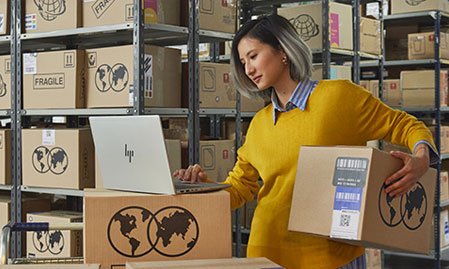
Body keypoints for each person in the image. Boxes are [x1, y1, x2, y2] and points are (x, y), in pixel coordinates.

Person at [173, 14, 437, 268]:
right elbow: (241, 188)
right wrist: (201, 187)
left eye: (253, 56)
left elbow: (404, 125)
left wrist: (422, 158)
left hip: (330, 255)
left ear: (283, 51)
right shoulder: (259, 124)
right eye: (243, 62)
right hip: (267, 254)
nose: (248, 68)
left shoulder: (339, 98)